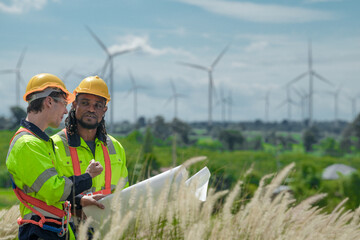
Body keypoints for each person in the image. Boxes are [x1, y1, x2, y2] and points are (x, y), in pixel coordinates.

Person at [6, 73, 104, 240]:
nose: (67, 111)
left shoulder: (41, 142)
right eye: (64, 104)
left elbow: (46, 191)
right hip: (39, 231)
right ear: (49, 101)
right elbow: (54, 190)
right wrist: (88, 176)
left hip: (47, 229)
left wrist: (80, 201)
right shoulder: (28, 144)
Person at [51, 75, 128, 204]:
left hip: (107, 222)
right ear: (75, 105)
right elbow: (49, 192)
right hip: (69, 223)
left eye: (98, 105)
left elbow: (124, 192)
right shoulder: (54, 145)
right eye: (85, 103)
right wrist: (79, 203)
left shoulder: (116, 147)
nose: (91, 109)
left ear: (104, 110)